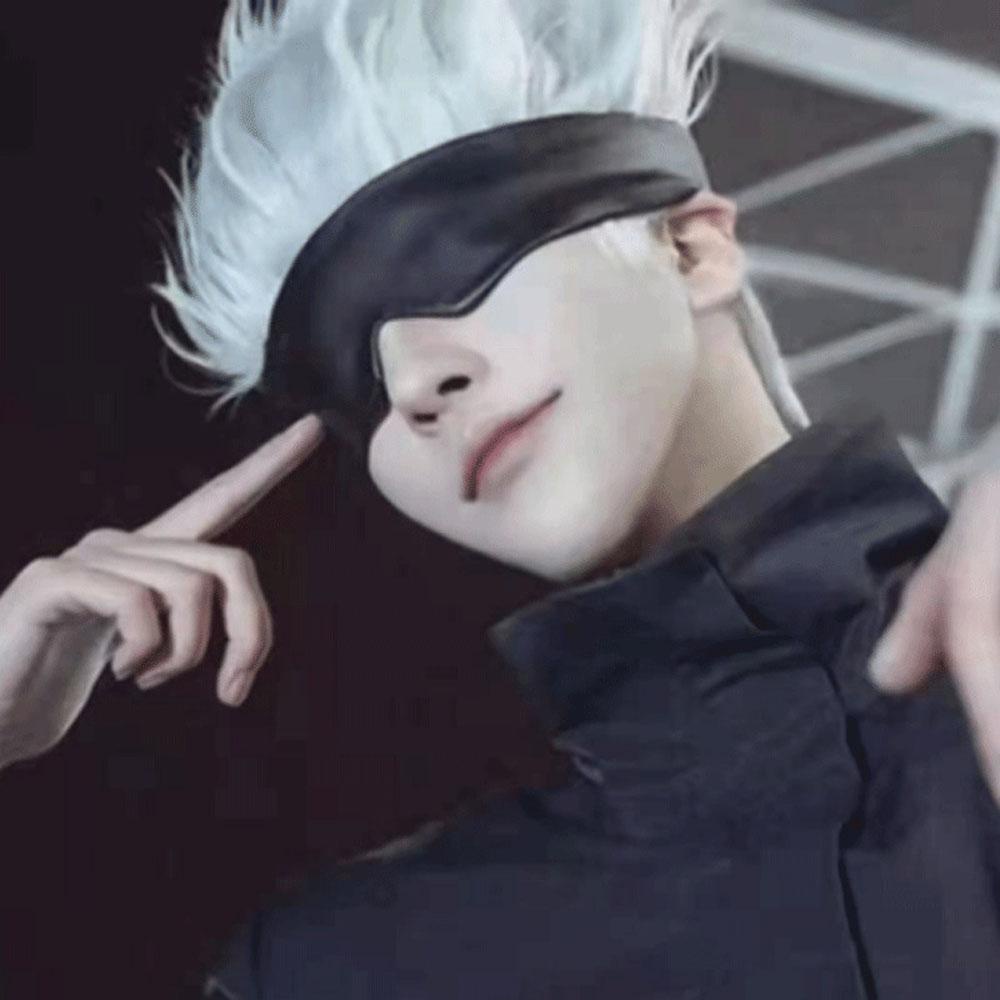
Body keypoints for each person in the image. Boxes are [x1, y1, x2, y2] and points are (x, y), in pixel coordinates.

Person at [1, 0, 999, 996]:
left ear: (692, 249)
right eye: (353, 382)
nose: (412, 385)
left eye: (455, 262)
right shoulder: (346, 969)